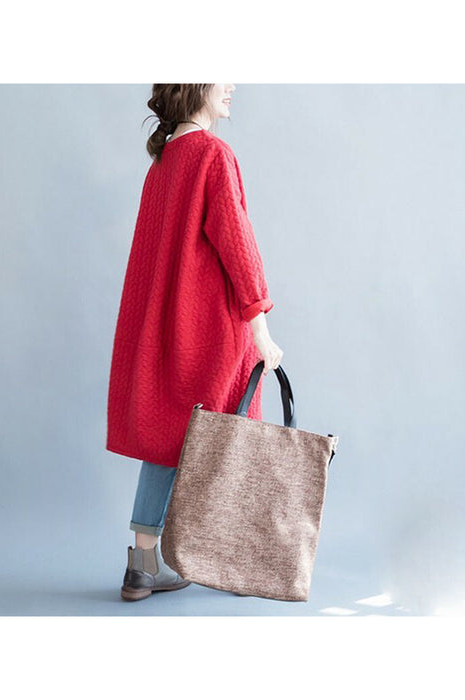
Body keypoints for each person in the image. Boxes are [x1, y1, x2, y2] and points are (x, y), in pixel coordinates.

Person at [105, 84, 283, 601]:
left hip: (165, 328)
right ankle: (235, 560)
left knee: (168, 440)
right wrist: (260, 329)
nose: (232, 85)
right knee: (232, 438)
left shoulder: (164, 163)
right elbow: (237, 244)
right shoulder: (212, 155)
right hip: (209, 327)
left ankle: (142, 565)